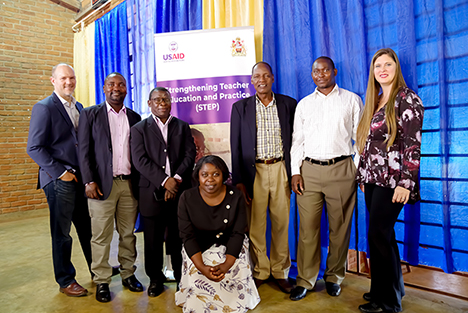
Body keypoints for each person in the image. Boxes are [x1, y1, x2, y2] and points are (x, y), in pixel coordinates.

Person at [355, 48, 424, 313]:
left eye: (387, 64)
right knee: (382, 236)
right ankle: (384, 290)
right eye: (377, 66)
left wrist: (406, 183)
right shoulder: (377, 99)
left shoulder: (406, 99)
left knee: (378, 234)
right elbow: (369, 144)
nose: (382, 69)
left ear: (396, 68)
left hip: (394, 181)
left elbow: (412, 145)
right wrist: (363, 175)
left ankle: (389, 303)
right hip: (373, 179)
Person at [290, 56, 363, 301]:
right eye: (316, 71)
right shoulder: (304, 104)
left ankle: (334, 277)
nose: (320, 74)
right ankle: (305, 280)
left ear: (334, 71)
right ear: (312, 75)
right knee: (307, 230)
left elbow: (359, 139)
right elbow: (297, 141)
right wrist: (295, 172)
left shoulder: (352, 100)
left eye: (325, 70)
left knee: (339, 228)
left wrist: (356, 169)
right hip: (309, 171)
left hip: (342, 170)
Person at [27, 63, 92, 297]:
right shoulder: (44, 107)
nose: (69, 82)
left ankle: (98, 270)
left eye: (72, 78)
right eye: (63, 78)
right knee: (62, 233)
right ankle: (66, 280)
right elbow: (34, 147)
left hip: (79, 179)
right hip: (58, 180)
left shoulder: (79, 106)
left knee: (87, 228)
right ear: (53, 81)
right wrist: (62, 173)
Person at [230, 62, 296, 293]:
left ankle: (281, 271)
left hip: (280, 169)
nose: (261, 80)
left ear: (273, 78)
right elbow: (235, 146)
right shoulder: (240, 108)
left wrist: (294, 172)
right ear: (251, 80)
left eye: (266, 75)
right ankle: (260, 271)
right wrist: (239, 180)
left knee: (281, 223)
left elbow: (296, 142)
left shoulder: (288, 104)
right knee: (256, 226)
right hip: (253, 172)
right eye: (257, 76)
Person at [78, 72, 142, 303]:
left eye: (121, 84)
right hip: (101, 186)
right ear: (104, 88)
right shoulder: (90, 114)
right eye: (112, 84)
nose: (117, 88)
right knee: (101, 236)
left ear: (127, 89)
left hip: (129, 185)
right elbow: (83, 151)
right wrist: (88, 181)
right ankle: (102, 281)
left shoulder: (135, 117)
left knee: (127, 234)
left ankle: (128, 274)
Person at [130, 87, 196, 297]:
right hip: (151, 193)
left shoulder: (182, 127)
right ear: (149, 103)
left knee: (178, 237)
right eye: (157, 100)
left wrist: (175, 180)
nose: (162, 103)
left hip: (178, 192)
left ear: (170, 102)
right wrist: (164, 181)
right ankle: (155, 279)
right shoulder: (139, 129)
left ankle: (180, 276)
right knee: (152, 240)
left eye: (166, 99)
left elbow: (189, 154)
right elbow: (139, 160)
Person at [176, 155, 261, 312]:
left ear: (224, 176)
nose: (210, 179)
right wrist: (201, 267)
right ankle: (199, 305)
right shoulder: (186, 198)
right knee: (197, 269)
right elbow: (187, 236)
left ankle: (236, 303)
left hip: (231, 243)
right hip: (198, 244)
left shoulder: (235, 196)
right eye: (205, 174)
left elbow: (238, 233)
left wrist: (227, 264)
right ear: (197, 176)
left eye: (216, 174)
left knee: (238, 263)